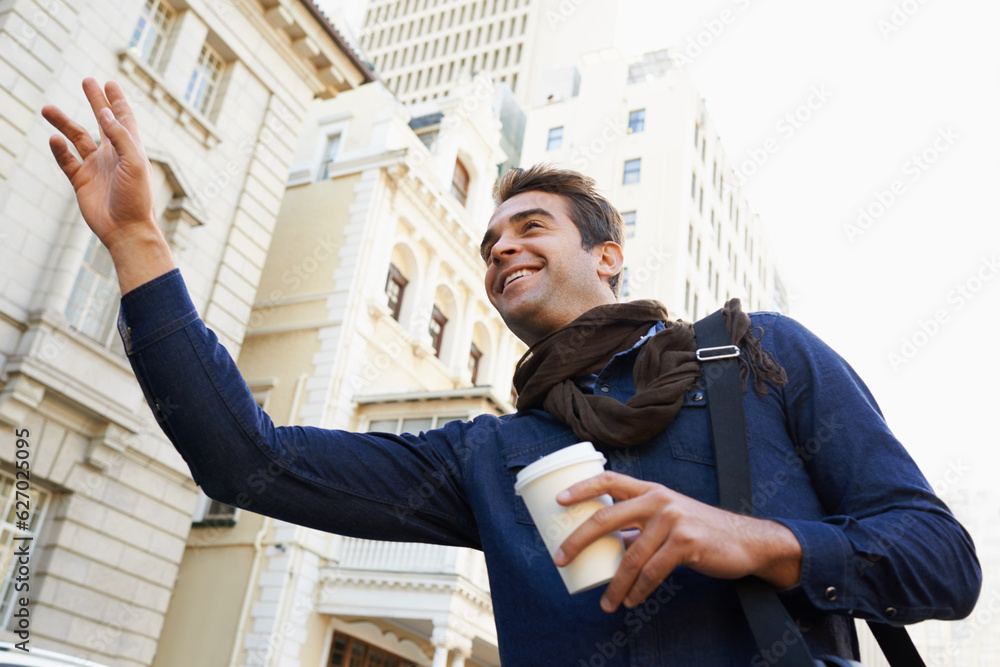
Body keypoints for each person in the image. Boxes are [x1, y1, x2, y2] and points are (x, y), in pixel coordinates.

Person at [42, 79, 980, 665]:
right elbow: (245, 461)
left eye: (531, 227)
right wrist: (136, 245)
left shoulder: (757, 354)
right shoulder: (489, 455)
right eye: (489, 242)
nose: (500, 249)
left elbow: (943, 561)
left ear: (609, 255)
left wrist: (760, 540)